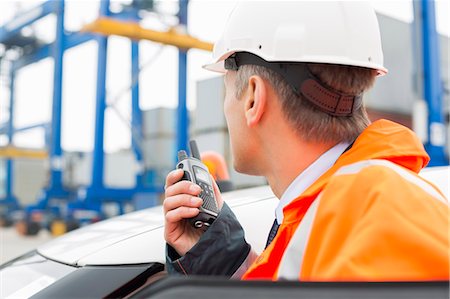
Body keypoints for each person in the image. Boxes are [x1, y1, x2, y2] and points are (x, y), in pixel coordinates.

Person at [163, 1, 449, 281]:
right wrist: (218, 257)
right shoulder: (343, 213)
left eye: (226, 89)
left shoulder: (373, 222)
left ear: (253, 97)